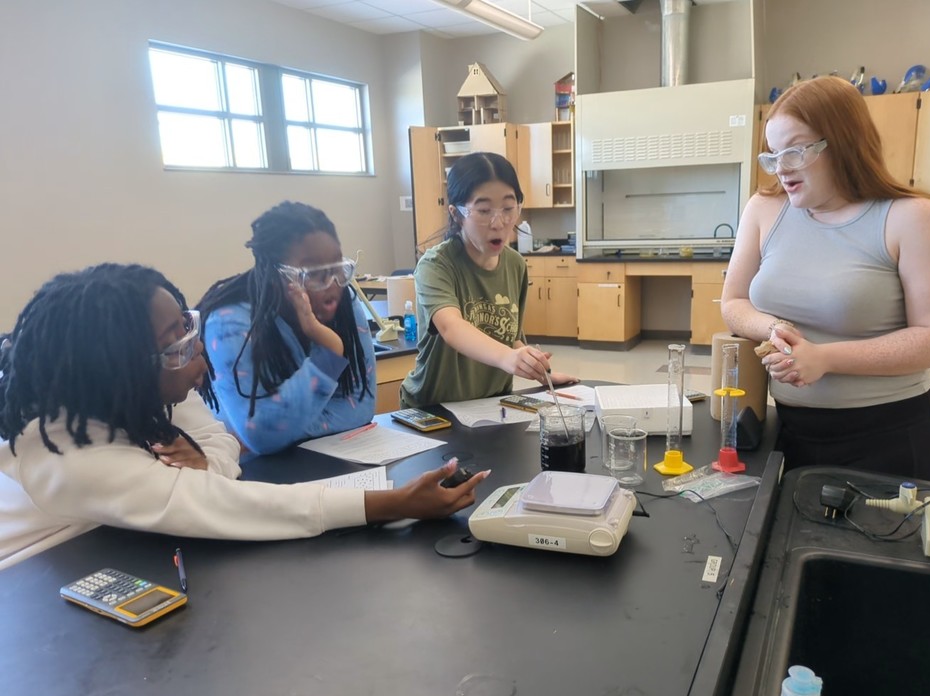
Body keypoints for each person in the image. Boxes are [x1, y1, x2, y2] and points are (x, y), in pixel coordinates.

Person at [0, 263, 486, 570]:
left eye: (187, 329)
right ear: (121, 368)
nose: (197, 359)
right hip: (33, 586)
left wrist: (204, 464)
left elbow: (217, 443)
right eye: (177, 346)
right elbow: (229, 505)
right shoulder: (69, 457)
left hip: (110, 552)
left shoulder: (134, 392)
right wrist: (392, 503)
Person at [720, 76, 930, 482]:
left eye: (795, 152)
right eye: (773, 155)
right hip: (792, 431)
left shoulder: (912, 217)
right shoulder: (764, 210)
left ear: (843, 142)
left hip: (890, 435)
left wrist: (825, 359)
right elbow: (734, 304)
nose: (781, 169)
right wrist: (775, 328)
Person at [400, 152, 578, 408]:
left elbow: (509, 338)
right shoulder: (436, 265)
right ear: (456, 213)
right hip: (434, 409)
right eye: (483, 211)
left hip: (492, 406)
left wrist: (541, 372)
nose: (499, 223)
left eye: (509, 208)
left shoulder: (515, 264)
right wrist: (509, 357)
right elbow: (452, 328)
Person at [197, 201, 376, 455]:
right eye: (313, 274)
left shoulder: (346, 304)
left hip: (329, 461)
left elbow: (361, 408)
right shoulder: (228, 322)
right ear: (274, 274)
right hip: (250, 474)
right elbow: (261, 438)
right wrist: (328, 355)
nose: (332, 286)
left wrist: (281, 431)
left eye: (337, 269)